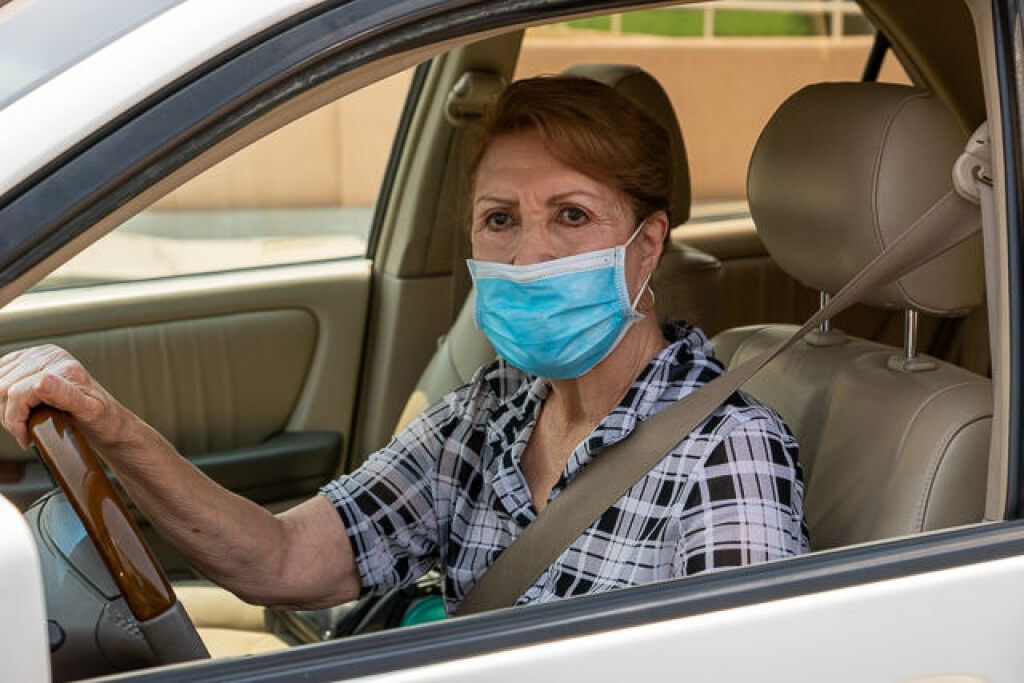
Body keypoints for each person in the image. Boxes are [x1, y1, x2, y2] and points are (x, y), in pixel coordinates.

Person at [0, 76, 809, 616]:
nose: (528, 256)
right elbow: (284, 560)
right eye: (500, 220)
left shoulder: (728, 453)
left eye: (571, 215)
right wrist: (110, 425)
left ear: (647, 242)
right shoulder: (491, 412)